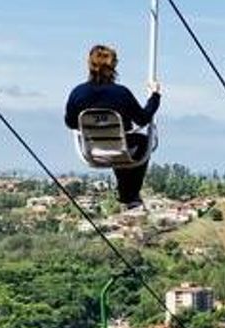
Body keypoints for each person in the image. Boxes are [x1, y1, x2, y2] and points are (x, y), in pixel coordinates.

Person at [65, 44, 162, 208]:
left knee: (121, 141)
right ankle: (130, 195)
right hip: (120, 147)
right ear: (113, 66)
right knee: (139, 141)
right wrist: (155, 96)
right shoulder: (121, 93)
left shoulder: (78, 93)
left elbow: (71, 123)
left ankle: (128, 196)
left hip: (92, 150)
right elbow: (143, 119)